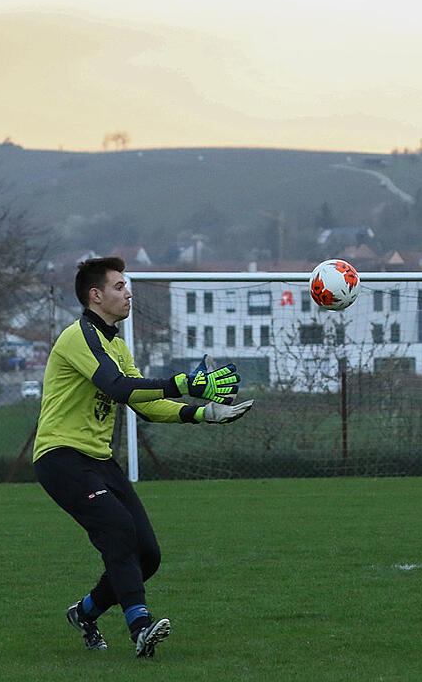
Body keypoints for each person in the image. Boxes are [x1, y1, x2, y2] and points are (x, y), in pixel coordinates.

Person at [34, 257, 254, 658]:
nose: (128, 292)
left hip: (98, 461)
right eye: (119, 286)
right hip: (61, 457)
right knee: (119, 530)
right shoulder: (79, 335)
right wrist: (186, 383)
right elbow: (118, 387)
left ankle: (85, 612)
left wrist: (203, 412)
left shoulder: (116, 343)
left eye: (127, 285)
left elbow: (145, 404)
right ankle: (140, 625)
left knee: (148, 555)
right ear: (95, 295)